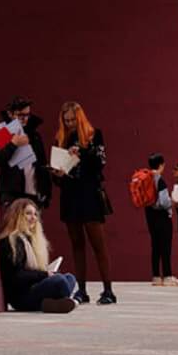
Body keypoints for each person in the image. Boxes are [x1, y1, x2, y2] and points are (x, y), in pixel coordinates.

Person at [52, 100, 115, 306]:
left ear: (79, 118)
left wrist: (82, 154)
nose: (69, 124)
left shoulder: (93, 135)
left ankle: (108, 290)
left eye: (72, 120)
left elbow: (100, 163)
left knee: (98, 244)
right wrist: (58, 173)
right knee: (77, 244)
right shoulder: (60, 139)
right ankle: (82, 290)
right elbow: (57, 178)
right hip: (70, 195)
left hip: (89, 193)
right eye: (66, 120)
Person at [0, 200, 79, 312]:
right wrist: (44, 275)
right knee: (59, 281)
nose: (33, 218)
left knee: (69, 277)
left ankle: (49, 304)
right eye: (28, 213)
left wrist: (47, 274)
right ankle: (70, 300)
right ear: (17, 216)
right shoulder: (11, 241)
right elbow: (16, 276)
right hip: (21, 296)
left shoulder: (30, 239)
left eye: (35, 214)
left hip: (34, 287)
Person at [0, 98, 48, 208]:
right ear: (10, 114)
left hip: (34, 194)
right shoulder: (3, 132)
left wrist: (45, 192)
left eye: (27, 115)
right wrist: (13, 144)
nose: (25, 119)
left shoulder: (35, 136)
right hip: (12, 195)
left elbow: (42, 163)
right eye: (21, 115)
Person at [135, 153, 177, 285]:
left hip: (150, 216)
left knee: (155, 246)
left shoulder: (146, 177)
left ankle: (156, 277)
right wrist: (173, 201)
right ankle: (168, 276)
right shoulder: (159, 180)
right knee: (165, 246)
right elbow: (164, 202)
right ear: (161, 164)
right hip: (162, 217)